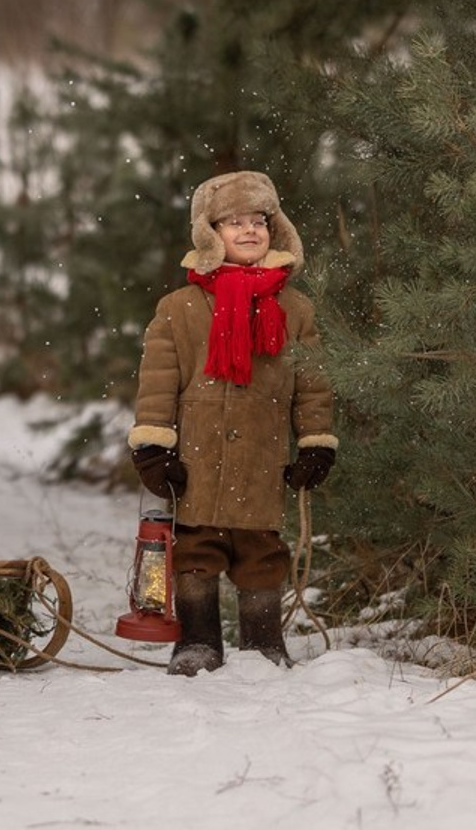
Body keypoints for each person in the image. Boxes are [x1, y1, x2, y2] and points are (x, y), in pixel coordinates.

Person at [128, 170, 337, 676]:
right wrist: (154, 447)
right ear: (209, 233)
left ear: (276, 229)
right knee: (196, 551)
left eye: (258, 221)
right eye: (233, 222)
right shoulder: (179, 309)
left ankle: (262, 643)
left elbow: (312, 384)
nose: (248, 231)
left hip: (263, 459)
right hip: (198, 458)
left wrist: (315, 443)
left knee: (261, 553)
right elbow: (157, 381)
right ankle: (197, 641)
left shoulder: (295, 309)